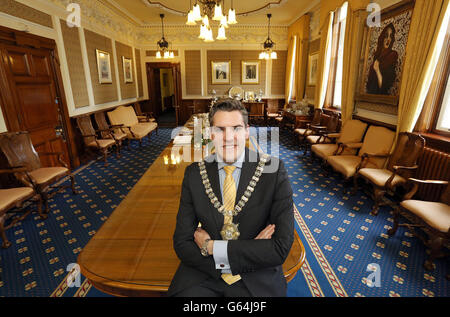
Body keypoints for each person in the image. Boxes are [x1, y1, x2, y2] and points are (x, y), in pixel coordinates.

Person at [167, 99, 294, 297]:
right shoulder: (193, 174)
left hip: (256, 278)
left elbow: (280, 248)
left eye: (236, 128)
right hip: (203, 274)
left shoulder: (274, 171)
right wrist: (248, 252)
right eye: (220, 129)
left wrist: (211, 247)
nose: (228, 137)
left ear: (246, 132)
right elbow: (182, 243)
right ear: (210, 134)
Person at [366, 23, 398, 95]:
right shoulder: (377, 55)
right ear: (382, 38)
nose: (388, 39)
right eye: (386, 36)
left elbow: (383, 86)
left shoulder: (392, 55)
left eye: (391, 36)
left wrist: (377, 70)